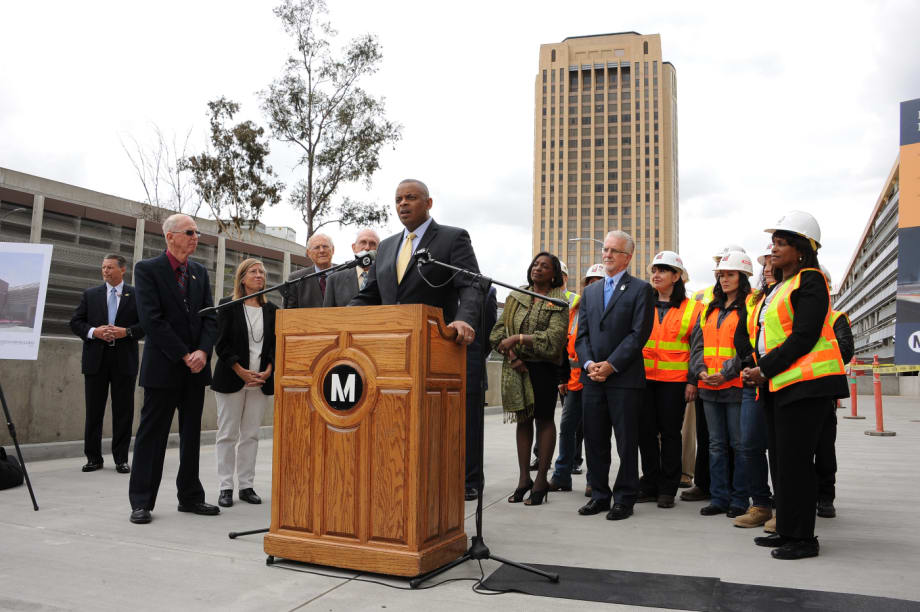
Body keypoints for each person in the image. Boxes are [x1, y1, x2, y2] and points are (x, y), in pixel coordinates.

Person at [744, 211, 848, 560]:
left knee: (798, 464)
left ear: (801, 249)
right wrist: (756, 368)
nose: (772, 249)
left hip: (807, 386)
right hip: (781, 386)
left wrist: (764, 369)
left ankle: (804, 540)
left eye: (780, 243)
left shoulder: (811, 281)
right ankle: (787, 529)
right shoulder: (778, 288)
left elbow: (804, 336)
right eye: (772, 242)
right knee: (782, 464)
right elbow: (766, 337)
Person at [128, 214, 218, 524]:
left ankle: (191, 497)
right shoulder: (147, 270)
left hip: (195, 370)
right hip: (164, 367)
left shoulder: (199, 273)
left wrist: (203, 352)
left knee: (191, 437)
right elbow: (153, 320)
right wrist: (184, 354)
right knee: (152, 437)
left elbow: (210, 317)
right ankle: (141, 502)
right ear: (170, 237)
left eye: (197, 232)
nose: (196, 237)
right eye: (190, 232)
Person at [575, 231, 654, 521]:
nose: (606, 254)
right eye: (605, 249)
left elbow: (639, 334)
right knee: (594, 439)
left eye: (614, 250)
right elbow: (581, 335)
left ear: (627, 257)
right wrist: (589, 365)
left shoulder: (641, 289)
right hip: (592, 379)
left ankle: (624, 498)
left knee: (625, 441)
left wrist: (611, 364)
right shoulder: (591, 292)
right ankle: (599, 495)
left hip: (624, 379)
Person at [349, 179, 480, 344]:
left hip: (435, 340)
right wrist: (337, 318)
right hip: (388, 341)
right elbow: (369, 295)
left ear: (428, 203)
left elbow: (471, 285)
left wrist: (465, 320)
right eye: (398, 200)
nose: (403, 203)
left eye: (410, 198)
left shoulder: (453, 238)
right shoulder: (385, 246)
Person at [490, 252, 568, 506]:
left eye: (544, 266)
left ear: (554, 274)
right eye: (535, 264)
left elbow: (554, 340)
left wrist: (519, 339)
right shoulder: (516, 295)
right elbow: (498, 332)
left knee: (544, 420)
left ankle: (541, 480)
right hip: (516, 367)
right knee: (523, 422)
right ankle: (524, 479)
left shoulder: (558, 301)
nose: (538, 268)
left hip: (543, 369)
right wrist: (512, 354)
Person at [690, 250, 752, 519]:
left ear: (742, 276)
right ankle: (719, 498)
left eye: (730, 274)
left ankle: (739, 500)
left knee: (739, 445)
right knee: (715, 445)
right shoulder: (709, 309)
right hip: (709, 387)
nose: (724, 279)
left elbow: (749, 346)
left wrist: (726, 373)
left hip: (735, 385)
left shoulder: (750, 306)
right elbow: (697, 346)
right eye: (721, 275)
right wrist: (701, 370)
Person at [211, 258, 277, 508]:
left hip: (261, 381)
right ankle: (225, 486)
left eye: (262, 271)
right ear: (242, 277)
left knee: (250, 435)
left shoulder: (272, 309)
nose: (259, 275)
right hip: (232, 378)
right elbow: (221, 344)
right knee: (227, 434)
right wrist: (240, 370)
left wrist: (269, 369)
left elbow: (274, 345)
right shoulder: (228, 305)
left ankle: (246, 485)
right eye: (253, 271)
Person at [69, 254, 145, 474]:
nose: (105, 271)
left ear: (123, 270)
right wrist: (94, 332)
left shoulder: (137, 295)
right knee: (94, 411)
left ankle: (121, 458)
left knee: (123, 411)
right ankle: (93, 458)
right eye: (103, 267)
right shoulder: (90, 295)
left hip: (124, 361)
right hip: (96, 361)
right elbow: (75, 322)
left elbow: (148, 324)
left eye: (110, 267)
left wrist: (126, 332)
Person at [638, 251, 701, 508]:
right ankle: (650, 483)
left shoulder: (693, 309)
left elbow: (698, 348)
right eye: (654, 270)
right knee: (645, 434)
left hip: (674, 382)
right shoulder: (642, 304)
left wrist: (692, 381)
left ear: (676, 276)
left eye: (663, 270)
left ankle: (668, 488)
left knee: (671, 434)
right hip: (643, 380)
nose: (656, 275)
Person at [549, 263, 605, 495]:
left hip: (596, 379)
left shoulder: (607, 312)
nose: (593, 286)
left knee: (594, 431)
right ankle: (562, 475)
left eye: (598, 282)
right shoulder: (575, 310)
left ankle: (594, 480)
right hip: (573, 381)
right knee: (567, 429)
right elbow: (565, 346)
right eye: (590, 283)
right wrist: (562, 378)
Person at [731, 243, 776, 529]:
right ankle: (760, 504)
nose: (769, 268)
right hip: (754, 382)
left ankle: (787, 507)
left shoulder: (795, 292)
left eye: (774, 261)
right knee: (749, 444)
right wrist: (750, 364)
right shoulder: (756, 300)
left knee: (783, 449)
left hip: (785, 380)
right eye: (766, 263)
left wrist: (767, 367)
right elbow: (741, 336)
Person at [815, 267, 854, 519]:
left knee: (824, 448)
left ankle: (825, 496)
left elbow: (845, 350)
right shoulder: (788, 315)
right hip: (793, 390)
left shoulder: (836, 317)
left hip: (823, 392)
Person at [465, 286, 497, 501]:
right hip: (435, 368)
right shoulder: (434, 283)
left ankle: (471, 482)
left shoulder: (486, 291)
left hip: (470, 368)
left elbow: (488, 336)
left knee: (471, 430)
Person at [323, 229, 381, 307]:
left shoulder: (385, 277)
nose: (367, 247)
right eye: (363, 242)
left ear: (379, 249)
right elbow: (327, 314)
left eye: (372, 243)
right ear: (354, 247)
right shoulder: (334, 280)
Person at [284, 233, 335, 308]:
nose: (322, 250)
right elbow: (289, 313)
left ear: (333, 250)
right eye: (317, 247)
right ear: (309, 253)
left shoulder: (346, 274)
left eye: (325, 246)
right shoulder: (296, 279)